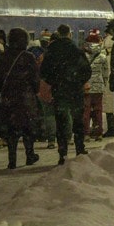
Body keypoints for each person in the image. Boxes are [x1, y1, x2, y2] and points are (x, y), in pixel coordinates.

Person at [40, 24, 92, 165]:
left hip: (60, 91)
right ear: (69, 34)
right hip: (75, 91)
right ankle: (79, 149)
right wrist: (78, 81)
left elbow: (43, 72)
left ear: (58, 34)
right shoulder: (76, 50)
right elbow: (87, 71)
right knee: (78, 121)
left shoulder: (51, 52)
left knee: (61, 122)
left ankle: (62, 153)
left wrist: (55, 82)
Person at [0, 28, 41, 169]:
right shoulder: (28, 57)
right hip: (26, 99)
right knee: (28, 129)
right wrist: (33, 90)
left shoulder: (3, 56)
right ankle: (30, 155)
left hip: (9, 99)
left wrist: (4, 90)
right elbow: (35, 79)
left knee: (12, 130)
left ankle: (12, 160)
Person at [82, 30, 107, 141]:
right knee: (98, 110)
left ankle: (86, 133)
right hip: (98, 87)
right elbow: (106, 71)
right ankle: (98, 133)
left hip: (86, 86)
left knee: (86, 111)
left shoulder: (84, 55)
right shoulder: (102, 56)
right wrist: (103, 83)